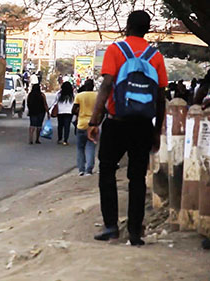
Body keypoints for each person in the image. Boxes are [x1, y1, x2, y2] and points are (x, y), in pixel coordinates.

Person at [88, 10, 168, 246]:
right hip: (143, 125)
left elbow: (107, 85)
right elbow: (161, 97)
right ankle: (134, 232)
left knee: (107, 172)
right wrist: (157, 131)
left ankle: (111, 226)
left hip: (116, 122)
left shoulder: (116, 50)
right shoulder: (156, 56)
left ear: (127, 26)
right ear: (147, 29)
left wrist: (94, 121)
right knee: (137, 177)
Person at [72, 79, 97, 176]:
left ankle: (81, 169)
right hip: (93, 124)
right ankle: (89, 170)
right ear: (93, 86)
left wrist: (80, 111)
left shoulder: (79, 96)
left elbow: (73, 110)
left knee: (80, 148)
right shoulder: (97, 95)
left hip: (81, 124)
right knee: (90, 147)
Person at [53, 81, 74, 145]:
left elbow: (55, 102)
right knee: (67, 126)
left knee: (60, 125)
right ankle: (65, 140)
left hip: (60, 111)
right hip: (69, 112)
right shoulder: (72, 95)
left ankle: (59, 139)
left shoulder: (59, 94)